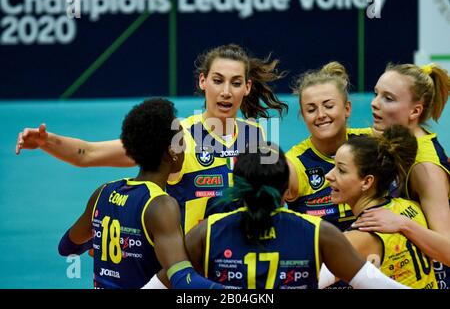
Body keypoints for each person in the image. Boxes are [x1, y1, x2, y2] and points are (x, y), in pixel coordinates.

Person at [15, 44, 288, 234]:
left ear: (247, 87)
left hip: (238, 264)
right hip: (187, 268)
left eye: (236, 82)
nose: (226, 92)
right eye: (218, 80)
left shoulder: (256, 135)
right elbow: (89, 154)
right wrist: (46, 141)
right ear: (203, 82)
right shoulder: (176, 135)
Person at [183, 144, 409, 289]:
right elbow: (378, 284)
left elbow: (160, 284)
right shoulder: (319, 232)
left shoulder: (207, 232)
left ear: (238, 187)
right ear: (285, 190)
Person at [58, 98, 223, 289]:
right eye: (182, 142)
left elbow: (66, 247)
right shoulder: (161, 206)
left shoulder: (102, 192)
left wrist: (102, 241)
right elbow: (183, 278)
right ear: (172, 152)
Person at [352, 63, 450, 289]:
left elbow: (447, 250)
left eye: (388, 98)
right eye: (376, 93)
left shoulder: (425, 169)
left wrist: (402, 223)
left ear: (415, 111)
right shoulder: (394, 138)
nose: (374, 103)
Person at [322, 125, 437, 289]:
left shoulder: (359, 237)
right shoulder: (410, 206)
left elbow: (302, 282)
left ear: (367, 182)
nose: (329, 176)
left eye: (341, 170)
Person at [285, 62, 371, 230]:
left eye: (328, 106)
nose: (321, 115)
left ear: (347, 109)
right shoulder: (294, 164)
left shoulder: (372, 142)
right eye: (311, 110)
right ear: (303, 116)